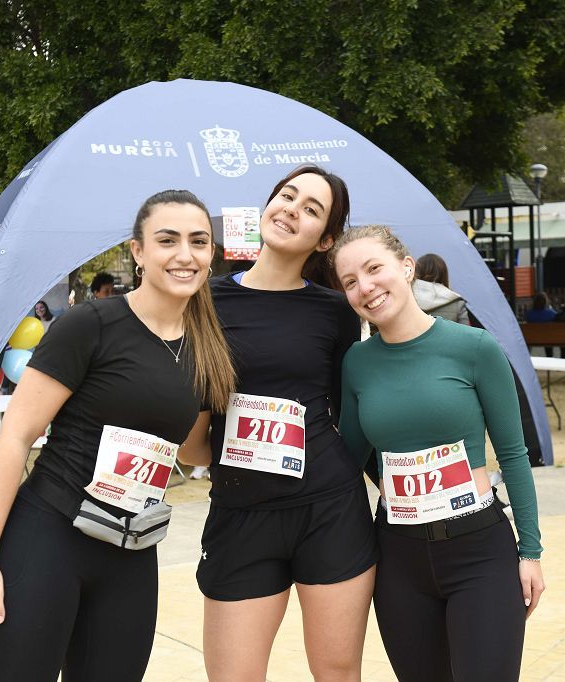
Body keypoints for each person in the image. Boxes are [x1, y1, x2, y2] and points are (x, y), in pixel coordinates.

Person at [0, 190, 235, 681]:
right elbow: (15, 437)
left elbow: (193, 449)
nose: (185, 254)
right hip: (48, 539)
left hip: (131, 553)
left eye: (198, 241)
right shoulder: (90, 324)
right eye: (167, 240)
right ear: (138, 252)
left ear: (211, 253)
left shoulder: (206, 348)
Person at [177, 165, 376, 681]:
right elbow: (192, 439)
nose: (291, 209)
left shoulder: (336, 311)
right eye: (287, 196)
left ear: (325, 239)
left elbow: (349, 410)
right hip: (241, 513)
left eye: (311, 208)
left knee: (338, 673)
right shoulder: (204, 300)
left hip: (330, 508)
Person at [332, 226, 544, 681]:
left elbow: (513, 455)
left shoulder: (475, 348)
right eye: (350, 281)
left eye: (373, 268)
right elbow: (350, 454)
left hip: (479, 553)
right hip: (398, 559)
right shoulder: (357, 362)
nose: (365, 286)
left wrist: (530, 550)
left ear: (407, 268)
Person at [412, 253, 469, 325]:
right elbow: (465, 330)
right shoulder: (457, 302)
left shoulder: (405, 297)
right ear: (443, 273)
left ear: (416, 271)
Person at [525, 292, 557, 357]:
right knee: (548, 338)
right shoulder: (551, 313)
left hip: (532, 338)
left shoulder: (529, 314)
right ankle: (549, 357)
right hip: (548, 338)